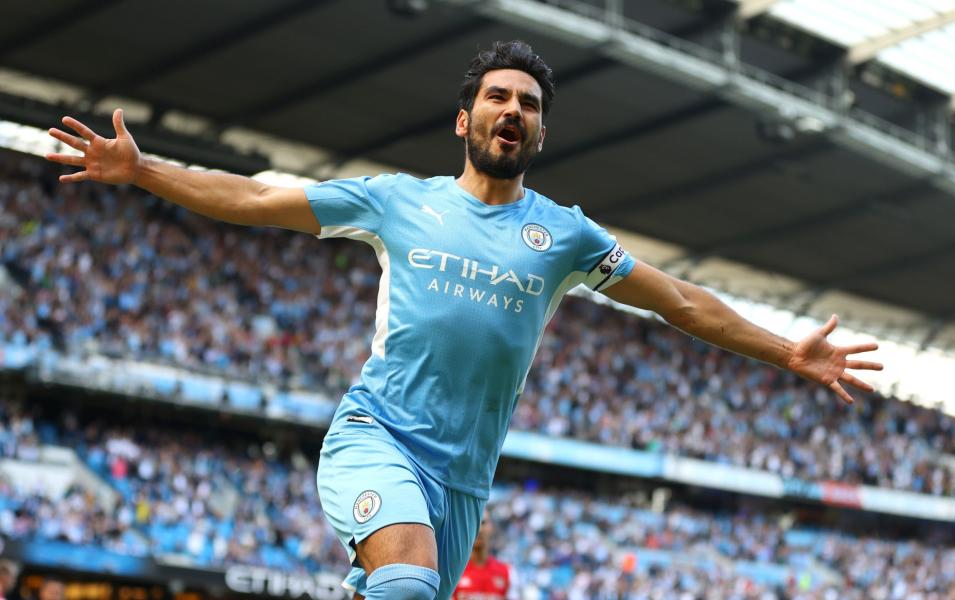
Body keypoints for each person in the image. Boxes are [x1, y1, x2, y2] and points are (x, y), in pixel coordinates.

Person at [44, 40, 882, 600]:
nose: (510, 110)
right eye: (495, 97)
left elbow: (682, 302)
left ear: (540, 131)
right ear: (465, 119)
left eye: (525, 103)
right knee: (404, 583)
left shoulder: (565, 235)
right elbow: (260, 195)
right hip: (376, 437)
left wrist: (787, 351)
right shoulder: (396, 202)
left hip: (463, 485)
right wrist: (145, 168)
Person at [453, 511, 515, 600]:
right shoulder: (454, 572)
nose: (479, 529)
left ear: (492, 528)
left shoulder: (507, 572)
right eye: (474, 523)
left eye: (483, 523)